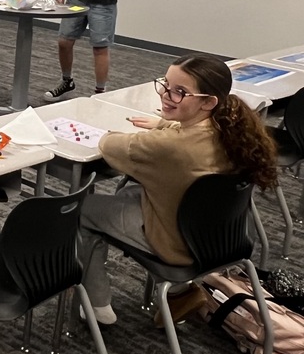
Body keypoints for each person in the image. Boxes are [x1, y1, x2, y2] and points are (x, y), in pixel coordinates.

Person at [78, 53, 278, 325]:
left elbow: (109, 144)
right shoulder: (232, 129)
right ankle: (179, 294)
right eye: (165, 85)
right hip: (220, 235)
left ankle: (97, 305)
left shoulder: (168, 146)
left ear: (208, 101)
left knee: (82, 211)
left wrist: (160, 131)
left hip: (178, 243)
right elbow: (189, 134)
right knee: (128, 194)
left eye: (180, 92)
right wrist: (164, 123)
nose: (166, 96)